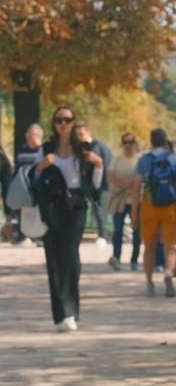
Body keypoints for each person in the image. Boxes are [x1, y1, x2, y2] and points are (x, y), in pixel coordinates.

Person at [31, 106, 104, 332]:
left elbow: (96, 185)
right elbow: (33, 180)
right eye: (59, 120)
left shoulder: (82, 150)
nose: (63, 124)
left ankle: (71, 310)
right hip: (52, 207)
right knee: (53, 257)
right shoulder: (45, 150)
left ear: (73, 123)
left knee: (70, 256)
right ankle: (60, 314)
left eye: (68, 120)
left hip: (76, 207)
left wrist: (99, 164)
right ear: (54, 124)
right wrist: (40, 167)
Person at [131, 129, 176, 297]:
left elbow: (136, 187)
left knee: (149, 246)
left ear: (151, 141)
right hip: (170, 206)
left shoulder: (144, 160)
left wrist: (134, 211)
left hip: (149, 205)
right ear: (165, 141)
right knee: (170, 246)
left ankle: (149, 283)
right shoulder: (175, 158)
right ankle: (168, 274)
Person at [107, 133, 141, 271]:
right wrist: (124, 184)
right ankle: (116, 257)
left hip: (135, 199)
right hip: (120, 198)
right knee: (118, 230)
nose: (128, 145)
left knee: (137, 231)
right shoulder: (117, 158)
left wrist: (133, 185)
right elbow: (110, 176)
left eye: (131, 141)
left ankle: (134, 259)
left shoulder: (139, 159)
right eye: (125, 142)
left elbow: (142, 177)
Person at [76, 122, 111, 248]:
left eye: (81, 133)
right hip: (83, 182)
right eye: (77, 135)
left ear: (88, 132)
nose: (80, 137)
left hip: (99, 182)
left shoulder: (99, 146)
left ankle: (102, 235)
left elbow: (106, 164)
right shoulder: (77, 147)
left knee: (99, 210)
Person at [11, 124, 44, 242]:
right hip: (23, 185)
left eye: (30, 134)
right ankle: (22, 235)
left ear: (37, 135)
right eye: (27, 134)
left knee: (39, 210)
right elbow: (17, 168)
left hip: (38, 185)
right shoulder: (22, 150)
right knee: (22, 209)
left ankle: (40, 236)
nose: (27, 136)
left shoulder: (43, 150)